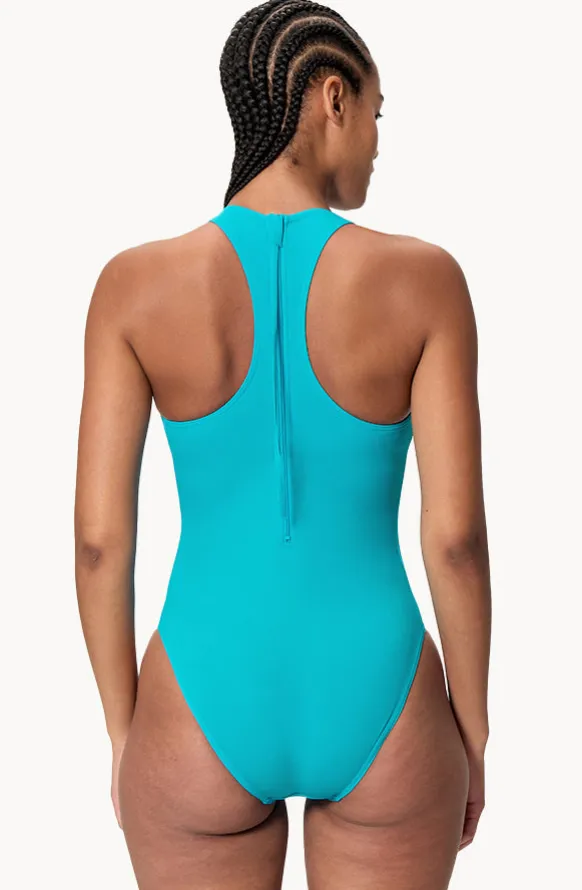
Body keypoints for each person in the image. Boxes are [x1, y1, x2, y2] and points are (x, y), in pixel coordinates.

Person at [74, 1, 491, 887]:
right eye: (377, 113)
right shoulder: (425, 280)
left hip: (199, 696)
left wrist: (123, 732)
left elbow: (99, 543)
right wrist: (473, 731)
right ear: (333, 98)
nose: (376, 142)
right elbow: (455, 540)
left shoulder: (132, 286)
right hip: (382, 696)